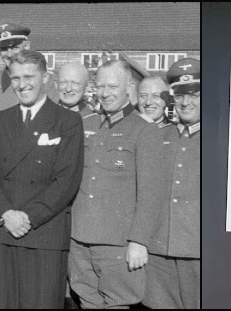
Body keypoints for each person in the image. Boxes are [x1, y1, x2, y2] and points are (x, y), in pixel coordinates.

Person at [0, 50, 83, 308]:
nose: (22, 85)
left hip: (44, 231)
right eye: (15, 78)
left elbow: (67, 180)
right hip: (7, 231)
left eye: (29, 77)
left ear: (45, 77)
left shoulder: (67, 120)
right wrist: (6, 214)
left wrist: (28, 218)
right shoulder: (0, 120)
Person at [69, 60, 164, 309]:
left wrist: (139, 241)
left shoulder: (143, 130)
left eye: (112, 86)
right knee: (87, 301)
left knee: (118, 303)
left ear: (128, 88)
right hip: (79, 239)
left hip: (117, 244)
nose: (105, 93)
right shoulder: (85, 124)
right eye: (100, 86)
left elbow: (151, 193)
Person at [138, 58, 201, 309]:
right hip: (158, 252)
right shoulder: (159, 136)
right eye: (180, 95)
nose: (186, 102)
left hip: (199, 252)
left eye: (194, 94)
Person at [0, 21, 58, 112]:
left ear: (26, 46)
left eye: (15, 47)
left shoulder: (47, 80)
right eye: (4, 49)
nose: (9, 54)